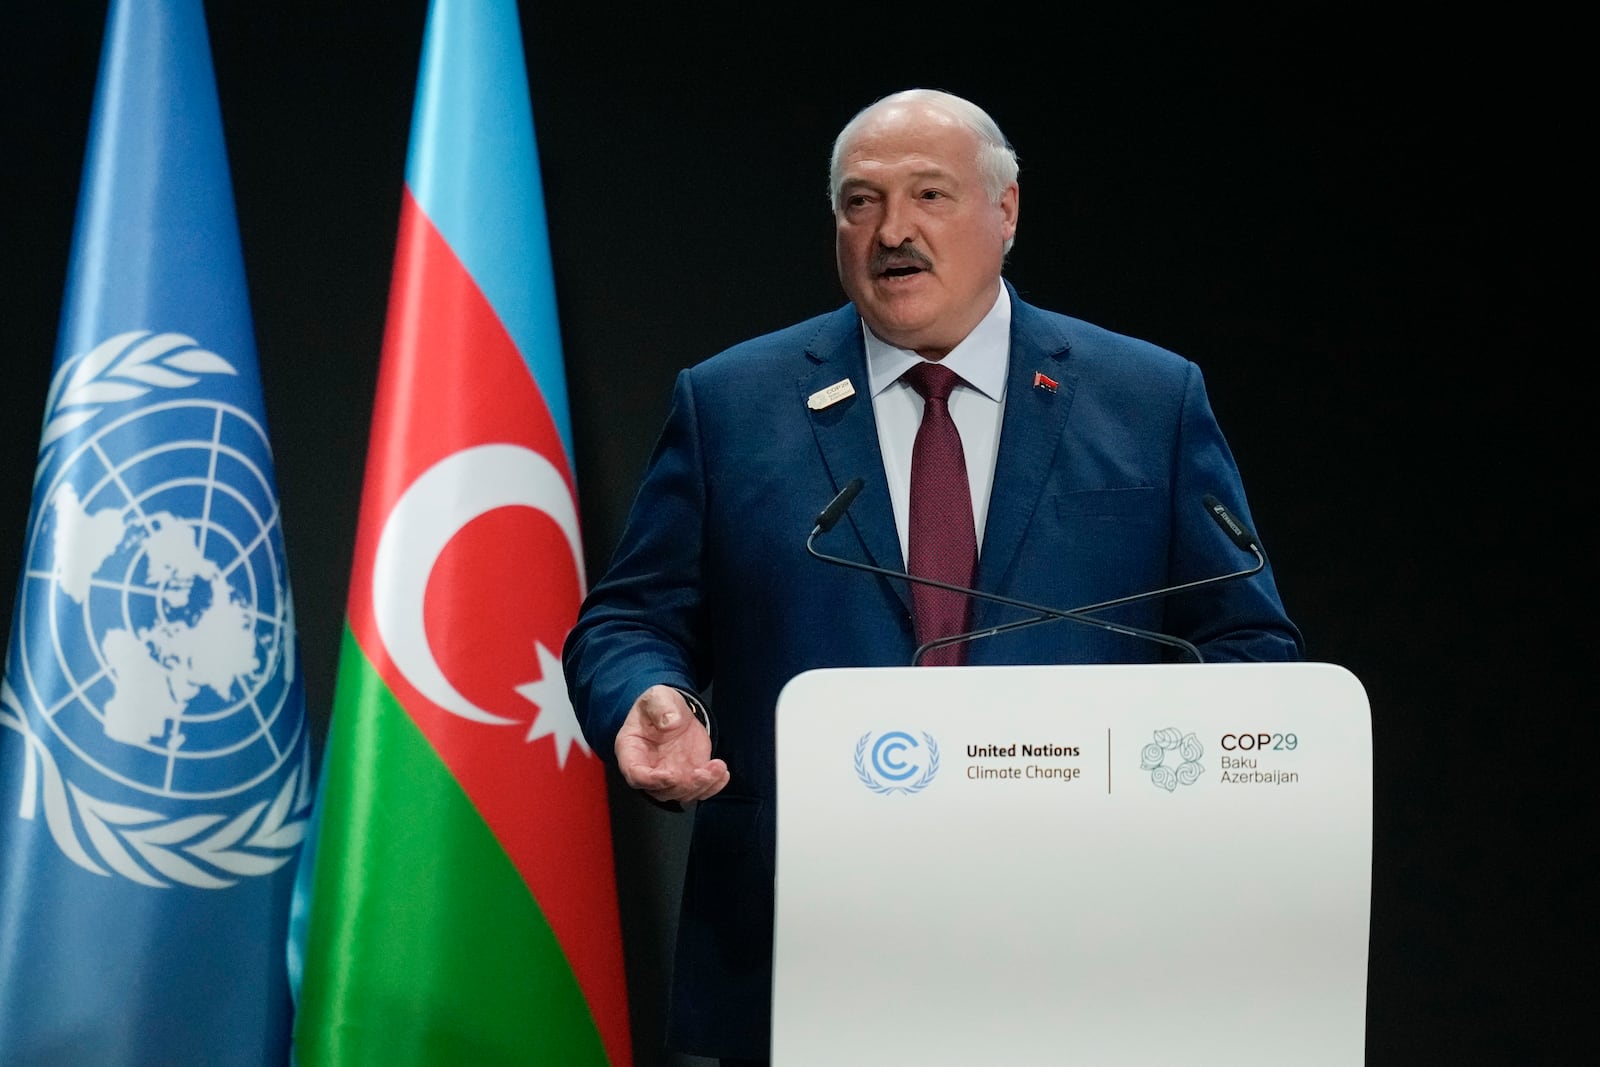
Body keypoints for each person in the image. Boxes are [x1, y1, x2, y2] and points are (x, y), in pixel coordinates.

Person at [562, 87, 1303, 1065]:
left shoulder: (1146, 399)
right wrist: (644, 694)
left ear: (1006, 212)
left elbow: (1246, 640)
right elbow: (630, 616)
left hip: (1082, 949)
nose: (891, 231)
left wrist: (1171, 777)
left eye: (929, 195)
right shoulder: (733, 403)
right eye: (859, 202)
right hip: (797, 950)